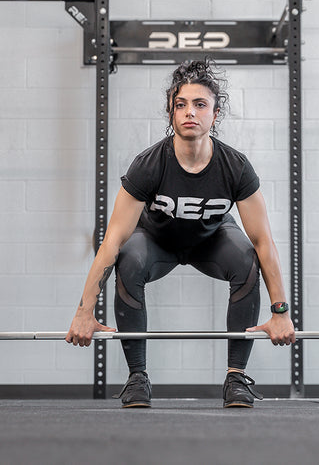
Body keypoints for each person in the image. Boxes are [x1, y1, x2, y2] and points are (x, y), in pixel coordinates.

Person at [65, 59, 295, 408]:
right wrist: (84, 310)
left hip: (212, 241)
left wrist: (280, 311)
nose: (190, 112)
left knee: (247, 258)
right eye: (181, 105)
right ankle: (137, 378)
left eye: (200, 104)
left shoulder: (235, 166)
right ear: (171, 114)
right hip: (157, 242)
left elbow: (265, 241)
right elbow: (112, 240)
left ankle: (236, 379)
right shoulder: (149, 164)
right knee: (128, 258)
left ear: (215, 115)